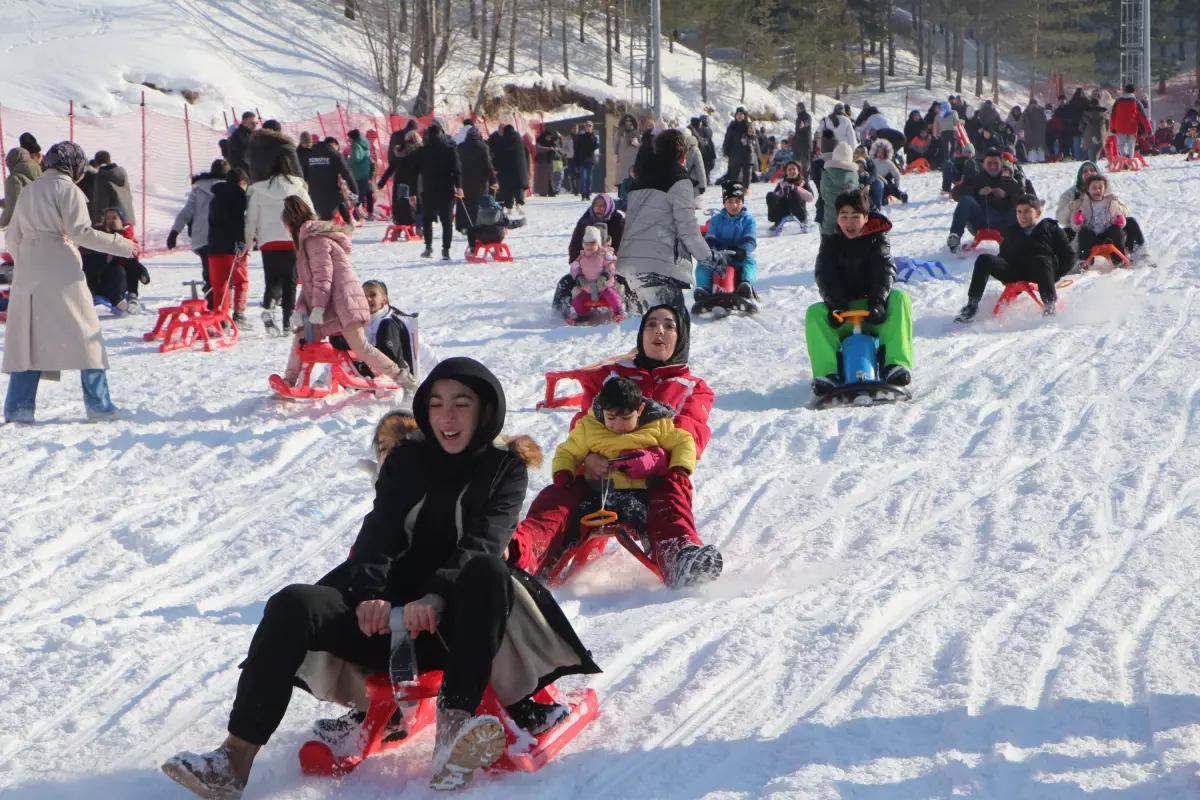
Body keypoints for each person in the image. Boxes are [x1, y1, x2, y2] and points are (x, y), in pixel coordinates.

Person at [162, 358, 599, 797]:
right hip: (387, 620)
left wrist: (436, 597)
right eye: (436, 404)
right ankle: (232, 761)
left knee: (487, 570)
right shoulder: (407, 458)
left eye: (461, 405)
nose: (446, 417)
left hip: (467, 626)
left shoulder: (505, 468)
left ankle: (451, 740)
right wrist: (371, 594)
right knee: (292, 603)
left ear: (485, 411)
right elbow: (380, 529)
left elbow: (485, 541)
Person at [511, 305, 723, 587]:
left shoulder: (692, 387)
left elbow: (689, 436)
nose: (659, 331)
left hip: (652, 482)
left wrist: (657, 460)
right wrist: (586, 460)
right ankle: (520, 550)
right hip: (598, 478)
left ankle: (679, 554)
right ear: (641, 333)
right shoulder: (610, 377)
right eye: (651, 325)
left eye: (669, 326)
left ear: (681, 336)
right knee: (558, 497)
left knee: (671, 492)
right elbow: (582, 428)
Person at [2, 141, 137, 424]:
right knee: (86, 332)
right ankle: (100, 406)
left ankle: (18, 409)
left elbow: (11, 237)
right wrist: (121, 244)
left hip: (28, 269)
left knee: (30, 336)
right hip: (61, 266)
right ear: (74, 166)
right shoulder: (69, 190)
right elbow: (81, 232)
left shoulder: (29, 190)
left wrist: (28, 258)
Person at [276, 196, 413, 389]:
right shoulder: (306, 242)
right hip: (329, 306)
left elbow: (324, 277)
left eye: (285, 225)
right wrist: (300, 310)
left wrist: (317, 308)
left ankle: (401, 377)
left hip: (344, 303)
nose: (286, 231)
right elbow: (309, 285)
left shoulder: (315, 241)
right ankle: (289, 382)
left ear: (291, 223)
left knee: (361, 348)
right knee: (301, 338)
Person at [551, 375, 696, 532]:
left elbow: (683, 441)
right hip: (599, 493)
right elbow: (568, 452)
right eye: (611, 418)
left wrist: (680, 468)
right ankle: (539, 546)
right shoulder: (589, 427)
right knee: (557, 503)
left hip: (645, 494)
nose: (618, 425)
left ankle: (679, 546)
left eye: (626, 418)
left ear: (639, 409)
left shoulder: (658, 425)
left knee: (666, 507)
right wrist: (563, 470)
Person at [806, 191, 912, 398]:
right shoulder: (831, 245)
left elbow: (885, 269)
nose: (850, 222)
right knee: (815, 313)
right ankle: (828, 374)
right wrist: (835, 305)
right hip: (843, 312)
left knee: (900, 299)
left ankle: (895, 365)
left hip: (874, 311)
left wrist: (878, 302)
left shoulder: (877, 240)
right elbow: (825, 275)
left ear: (865, 217)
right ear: (837, 219)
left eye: (856, 216)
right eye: (844, 216)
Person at [617, 130, 720, 310]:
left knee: (646, 333)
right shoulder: (679, 180)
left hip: (629, 266)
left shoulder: (639, 180)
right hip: (659, 267)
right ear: (682, 155)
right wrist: (708, 258)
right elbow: (687, 230)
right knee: (674, 332)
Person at [954, 193, 1075, 323]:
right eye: (1019, 212)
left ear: (1038, 212)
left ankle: (1049, 306)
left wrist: (1053, 276)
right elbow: (1004, 255)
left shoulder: (1051, 228)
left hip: (1039, 272)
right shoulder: (1011, 231)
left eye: (1027, 211)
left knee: (1041, 260)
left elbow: (1069, 257)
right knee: (984, 259)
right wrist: (995, 265)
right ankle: (972, 304)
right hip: (1014, 271)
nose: (1022, 216)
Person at [244, 150, 312, 330]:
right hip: (291, 240)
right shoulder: (298, 188)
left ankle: (269, 306)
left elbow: (251, 217)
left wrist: (248, 240)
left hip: (268, 242)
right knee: (290, 282)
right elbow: (310, 213)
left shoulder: (260, 190)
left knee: (272, 280)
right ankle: (288, 321)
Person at [334, 279, 418, 383]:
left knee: (386, 326)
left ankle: (386, 375)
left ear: (384, 299)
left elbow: (419, 348)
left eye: (372, 295)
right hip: (364, 372)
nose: (367, 299)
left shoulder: (396, 320)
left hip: (397, 373)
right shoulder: (357, 321)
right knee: (340, 331)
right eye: (363, 296)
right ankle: (341, 374)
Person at [167, 159, 228, 301]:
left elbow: (186, 212)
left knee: (209, 271)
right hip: (223, 237)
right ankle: (221, 304)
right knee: (224, 273)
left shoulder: (199, 188)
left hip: (203, 238)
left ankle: (211, 298)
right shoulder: (230, 188)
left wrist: (174, 232)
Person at [946, 149, 1020, 254]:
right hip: (980, 221)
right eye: (989, 163)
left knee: (1021, 208)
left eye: (996, 163)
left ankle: (1025, 241)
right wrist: (977, 192)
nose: (993, 166)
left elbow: (1022, 199)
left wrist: (1006, 195)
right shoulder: (976, 180)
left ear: (1001, 164)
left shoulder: (1009, 182)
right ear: (984, 165)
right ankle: (955, 237)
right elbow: (955, 193)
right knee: (967, 200)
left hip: (1004, 221)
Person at [694, 181, 757, 305]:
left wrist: (742, 250)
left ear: (742, 202)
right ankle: (704, 289)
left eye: (737, 201)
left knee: (750, 263)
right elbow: (710, 238)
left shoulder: (748, 220)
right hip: (718, 257)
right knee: (702, 264)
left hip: (738, 257)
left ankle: (745, 285)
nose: (734, 205)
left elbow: (751, 240)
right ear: (724, 203)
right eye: (730, 201)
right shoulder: (716, 220)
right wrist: (713, 250)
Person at [82, 206, 147, 312]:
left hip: (120, 280)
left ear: (121, 220)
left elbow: (133, 259)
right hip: (99, 278)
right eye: (107, 218)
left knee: (124, 265)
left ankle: (130, 296)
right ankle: (105, 297)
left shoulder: (128, 237)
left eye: (114, 218)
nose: (110, 221)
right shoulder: (99, 234)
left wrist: (142, 271)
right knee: (100, 263)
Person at [416, 120, 464, 260]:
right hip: (446, 189)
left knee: (427, 219)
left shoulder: (422, 151)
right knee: (447, 221)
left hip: (429, 188)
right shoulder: (449, 150)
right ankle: (446, 250)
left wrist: (414, 191)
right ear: (441, 134)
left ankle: (428, 247)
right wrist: (459, 187)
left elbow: (415, 172)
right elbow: (457, 171)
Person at [207, 168, 250, 322]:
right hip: (234, 247)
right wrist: (241, 240)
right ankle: (239, 314)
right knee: (241, 281)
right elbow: (239, 221)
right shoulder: (240, 195)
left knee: (219, 284)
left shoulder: (215, 197)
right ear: (242, 182)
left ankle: (220, 317)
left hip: (215, 246)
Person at [1070, 173, 1131, 259]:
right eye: (1094, 188)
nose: (1097, 190)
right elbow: (1075, 228)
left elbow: (1117, 216)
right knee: (1084, 231)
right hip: (1092, 237)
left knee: (1116, 230)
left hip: (1107, 237)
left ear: (1105, 189)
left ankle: (1118, 259)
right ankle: (1084, 260)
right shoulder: (1081, 204)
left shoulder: (1111, 202)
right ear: (1088, 189)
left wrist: (1119, 221)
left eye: (1100, 187)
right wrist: (1077, 222)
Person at [568, 226, 622, 321]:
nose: (589, 246)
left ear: (598, 244)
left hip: (603, 287)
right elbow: (575, 268)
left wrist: (605, 276)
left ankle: (619, 312)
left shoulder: (603, 255)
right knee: (577, 301)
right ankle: (581, 315)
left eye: (592, 243)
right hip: (587, 288)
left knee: (612, 296)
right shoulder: (581, 257)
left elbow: (611, 266)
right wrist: (578, 276)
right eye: (586, 244)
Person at [456, 126, 497, 241]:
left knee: (464, 203)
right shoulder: (483, 147)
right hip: (479, 181)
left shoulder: (460, 147)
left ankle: (463, 226)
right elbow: (488, 165)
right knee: (478, 204)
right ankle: (477, 226)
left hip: (464, 180)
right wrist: (493, 180)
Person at [378, 129, 423, 227]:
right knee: (416, 204)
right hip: (413, 182)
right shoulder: (418, 152)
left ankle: (400, 222)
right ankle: (418, 226)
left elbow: (391, 167)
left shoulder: (400, 153)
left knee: (400, 203)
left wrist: (382, 182)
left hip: (399, 181)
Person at [817, 142, 860, 237]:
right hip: (847, 214)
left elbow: (823, 192)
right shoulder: (854, 175)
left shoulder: (826, 173)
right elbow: (856, 193)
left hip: (830, 212)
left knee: (827, 236)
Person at [568, 193, 625, 262]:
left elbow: (620, 246)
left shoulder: (617, 220)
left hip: (609, 261)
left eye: (602, 205)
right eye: (595, 205)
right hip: (586, 261)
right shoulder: (586, 219)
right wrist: (576, 261)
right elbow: (575, 243)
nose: (598, 208)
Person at [89, 151, 136, 227]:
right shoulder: (121, 173)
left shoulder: (102, 177)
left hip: (115, 222)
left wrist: (98, 223)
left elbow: (101, 203)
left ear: (96, 163)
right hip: (128, 220)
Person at [0, 146, 42, 230]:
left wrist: (2, 223)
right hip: (44, 225)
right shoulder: (41, 174)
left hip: (25, 229)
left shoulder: (14, 178)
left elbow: (14, 203)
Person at [766, 160, 814, 228]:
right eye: (789, 169)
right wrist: (781, 192)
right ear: (786, 172)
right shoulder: (782, 183)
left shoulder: (803, 182)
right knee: (771, 195)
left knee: (793, 191)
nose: (791, 171)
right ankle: (777, 221)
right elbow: (775, 197)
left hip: (798, 210)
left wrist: (796, 188)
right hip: (784, 210)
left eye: (794, 169)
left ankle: (802, 220)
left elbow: (810, 198)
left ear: (798, 171)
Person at [493, 125, 530, 212]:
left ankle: (509, 207)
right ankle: (519, 204)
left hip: (506, 170)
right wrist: (526, 167)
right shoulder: (520, 141)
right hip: (519, 169)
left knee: (507, 188)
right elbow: (527, 154)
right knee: (519, 187)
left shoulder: (502, 141)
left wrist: (496, 167)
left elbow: (498, 155)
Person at [1111, 84, 1151, 159]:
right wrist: (1148, 129)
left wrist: (1113, 127)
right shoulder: (1136, 102)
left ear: (1124, 91)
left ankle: (1123, 157)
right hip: (1132, 127)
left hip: (1120, 127)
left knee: (1121, 144)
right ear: (1134, 91)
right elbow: (1143, 117)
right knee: (1131, 145)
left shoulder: (1118, 102)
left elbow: (1113, 115)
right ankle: (1130, 159)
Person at [346, 129, 376, 219]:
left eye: (349, 138)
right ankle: (369, 214)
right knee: (367, 193)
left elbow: (357, 157)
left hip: (358, 173)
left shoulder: (356, 145)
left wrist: (347, 162)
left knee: (358, 195)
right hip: (366, 172)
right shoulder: (365, 144)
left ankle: (357, 215)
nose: (348, 140)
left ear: (352, 138)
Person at [722, 108, 755, 187]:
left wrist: (749, 138)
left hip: (747, 152)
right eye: (737, 114)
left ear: (744, 115)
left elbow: (754, 138)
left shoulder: (748, 125)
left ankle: (746, 188)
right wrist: (725, 149)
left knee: (747, 173)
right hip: (735, 153)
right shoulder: (732, 126)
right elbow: (727, 138)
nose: (739, 116)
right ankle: (735, 189)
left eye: (741, 114)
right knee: (734, 173)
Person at [871, 140, 907, 204]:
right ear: (876, 152)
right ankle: (883, 198)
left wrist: (896, 185)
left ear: (886, 153)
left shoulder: (888, 163)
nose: (880, 154)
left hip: (886, 182)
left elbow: (896, 175)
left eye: (882, 152)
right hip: (875, 183)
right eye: (879, 152)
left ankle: (900, 195)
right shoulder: (872, 162)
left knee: (889, 186)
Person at [574, 121, 601, 201]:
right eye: (587, 126)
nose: (588, 127)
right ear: (585, 127)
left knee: (589, 178)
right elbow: (576, 149)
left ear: (592, 127)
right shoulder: (580, 137)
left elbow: (595, 146)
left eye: (590, 126)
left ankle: (588, 194)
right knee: (583, 178)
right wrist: (576, 161)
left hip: (590, 160)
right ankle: (583, 194)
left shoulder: (594, 137)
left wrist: (593, 136)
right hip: (582, 160)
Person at [614, 114, 641, 191]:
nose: (628, 122)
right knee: (622, 178)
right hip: (622, 160)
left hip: (633, 159)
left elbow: (640, 146)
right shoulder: (620, 132)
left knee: (631, 177)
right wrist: (615, 155)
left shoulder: (636, 133)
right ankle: (622, 195)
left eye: (630, 121)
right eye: (627, 120)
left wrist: (637, 144)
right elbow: (616, 144)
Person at [1079, 96, 1110, 163]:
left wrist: (1084, 132)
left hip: (1089, 135)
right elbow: (1108, 124)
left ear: (1090, 104)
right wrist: (1105, 131)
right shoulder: (1104, 113)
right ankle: (1094, 163)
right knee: (1097, 151)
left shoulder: (1085, 113)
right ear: (1098, 104)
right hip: (1101, 135)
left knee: (1091, 152)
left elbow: (1081, 126)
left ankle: (1093, 164)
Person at [533, 129, 560, 197]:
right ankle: (543, 192)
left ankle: (551, 191)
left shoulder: (551, 142)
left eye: (550, 137)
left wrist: (555, 148)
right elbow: (538, 148)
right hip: (541, 162)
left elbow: (556, 147)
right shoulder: (539, 141)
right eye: (547, 137)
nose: (549, 138)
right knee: (543, 178)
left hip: (549, 161)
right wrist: (549, 148)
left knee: (550, 178)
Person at [792, 101, 813, 169]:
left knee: (805, 165)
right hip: (798, 145)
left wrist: (804, 124)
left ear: (801, 108)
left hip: (805, 145)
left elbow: (807, 122)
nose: (796, 110)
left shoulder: (807, 116)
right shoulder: (798, 118)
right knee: (796, 164)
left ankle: (806, 178)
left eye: (797, 108)